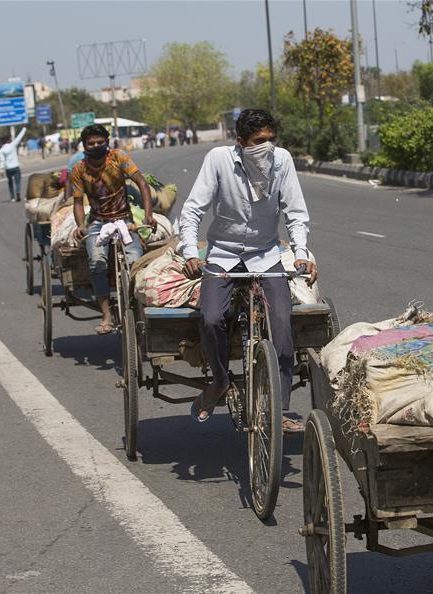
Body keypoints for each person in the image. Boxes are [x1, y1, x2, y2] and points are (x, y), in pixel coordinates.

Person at [179, 108, 316, 431]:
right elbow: (193, 209)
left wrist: (301, 253)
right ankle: (220, 382)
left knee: (282, 321)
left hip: (266, 253)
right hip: (223, 253)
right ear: (240, 142)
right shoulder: (218, 159)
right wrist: (189, 252)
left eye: (270, 140)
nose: (266, 147)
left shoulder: (282, 161)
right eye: (258, 142)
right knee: (211, 317)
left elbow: (295, 212)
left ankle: (280, 408)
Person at [69, 124, 156, 335]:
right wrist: (81, 226)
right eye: (91, 143)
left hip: (124, 220)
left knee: (136, 262)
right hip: (98, 222)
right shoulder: (79, 169)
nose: (96, 146)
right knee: (97, 262)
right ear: (84, 146)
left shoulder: (119, 158)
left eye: (100, 142)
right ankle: (106, 315)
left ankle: (139, 310)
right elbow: (78, 202)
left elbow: (142, 184)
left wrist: (148, 214)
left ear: (107, 142)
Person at [0, 127, 27, 201]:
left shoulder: (1, 150)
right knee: (18, 181)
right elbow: (19, 137)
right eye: (10, 139)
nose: (11, 139)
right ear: (8, 140)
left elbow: (2, 160)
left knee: (10, 182)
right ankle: (18, 193)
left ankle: (12, 197)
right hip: (15, 167)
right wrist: (24, 128)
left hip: (8, 169)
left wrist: (1, 170)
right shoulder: (13, 145)